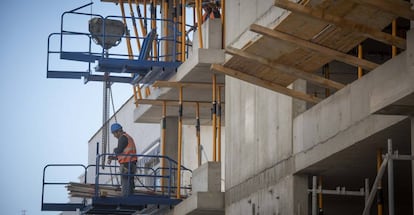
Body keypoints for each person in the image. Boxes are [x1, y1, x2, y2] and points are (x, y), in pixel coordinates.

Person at [108, 123, 138, 196]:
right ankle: (130, 196)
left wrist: (115, 150)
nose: (114, 136)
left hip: (126, 165)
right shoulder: (128, 137)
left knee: (125, 183)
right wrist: (113, 158)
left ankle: (126, 198)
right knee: (129, 183)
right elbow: (124, 154)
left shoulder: (122, 138)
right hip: (131, 164)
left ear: (118, 131)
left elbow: (119, 150)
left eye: (114, 134)